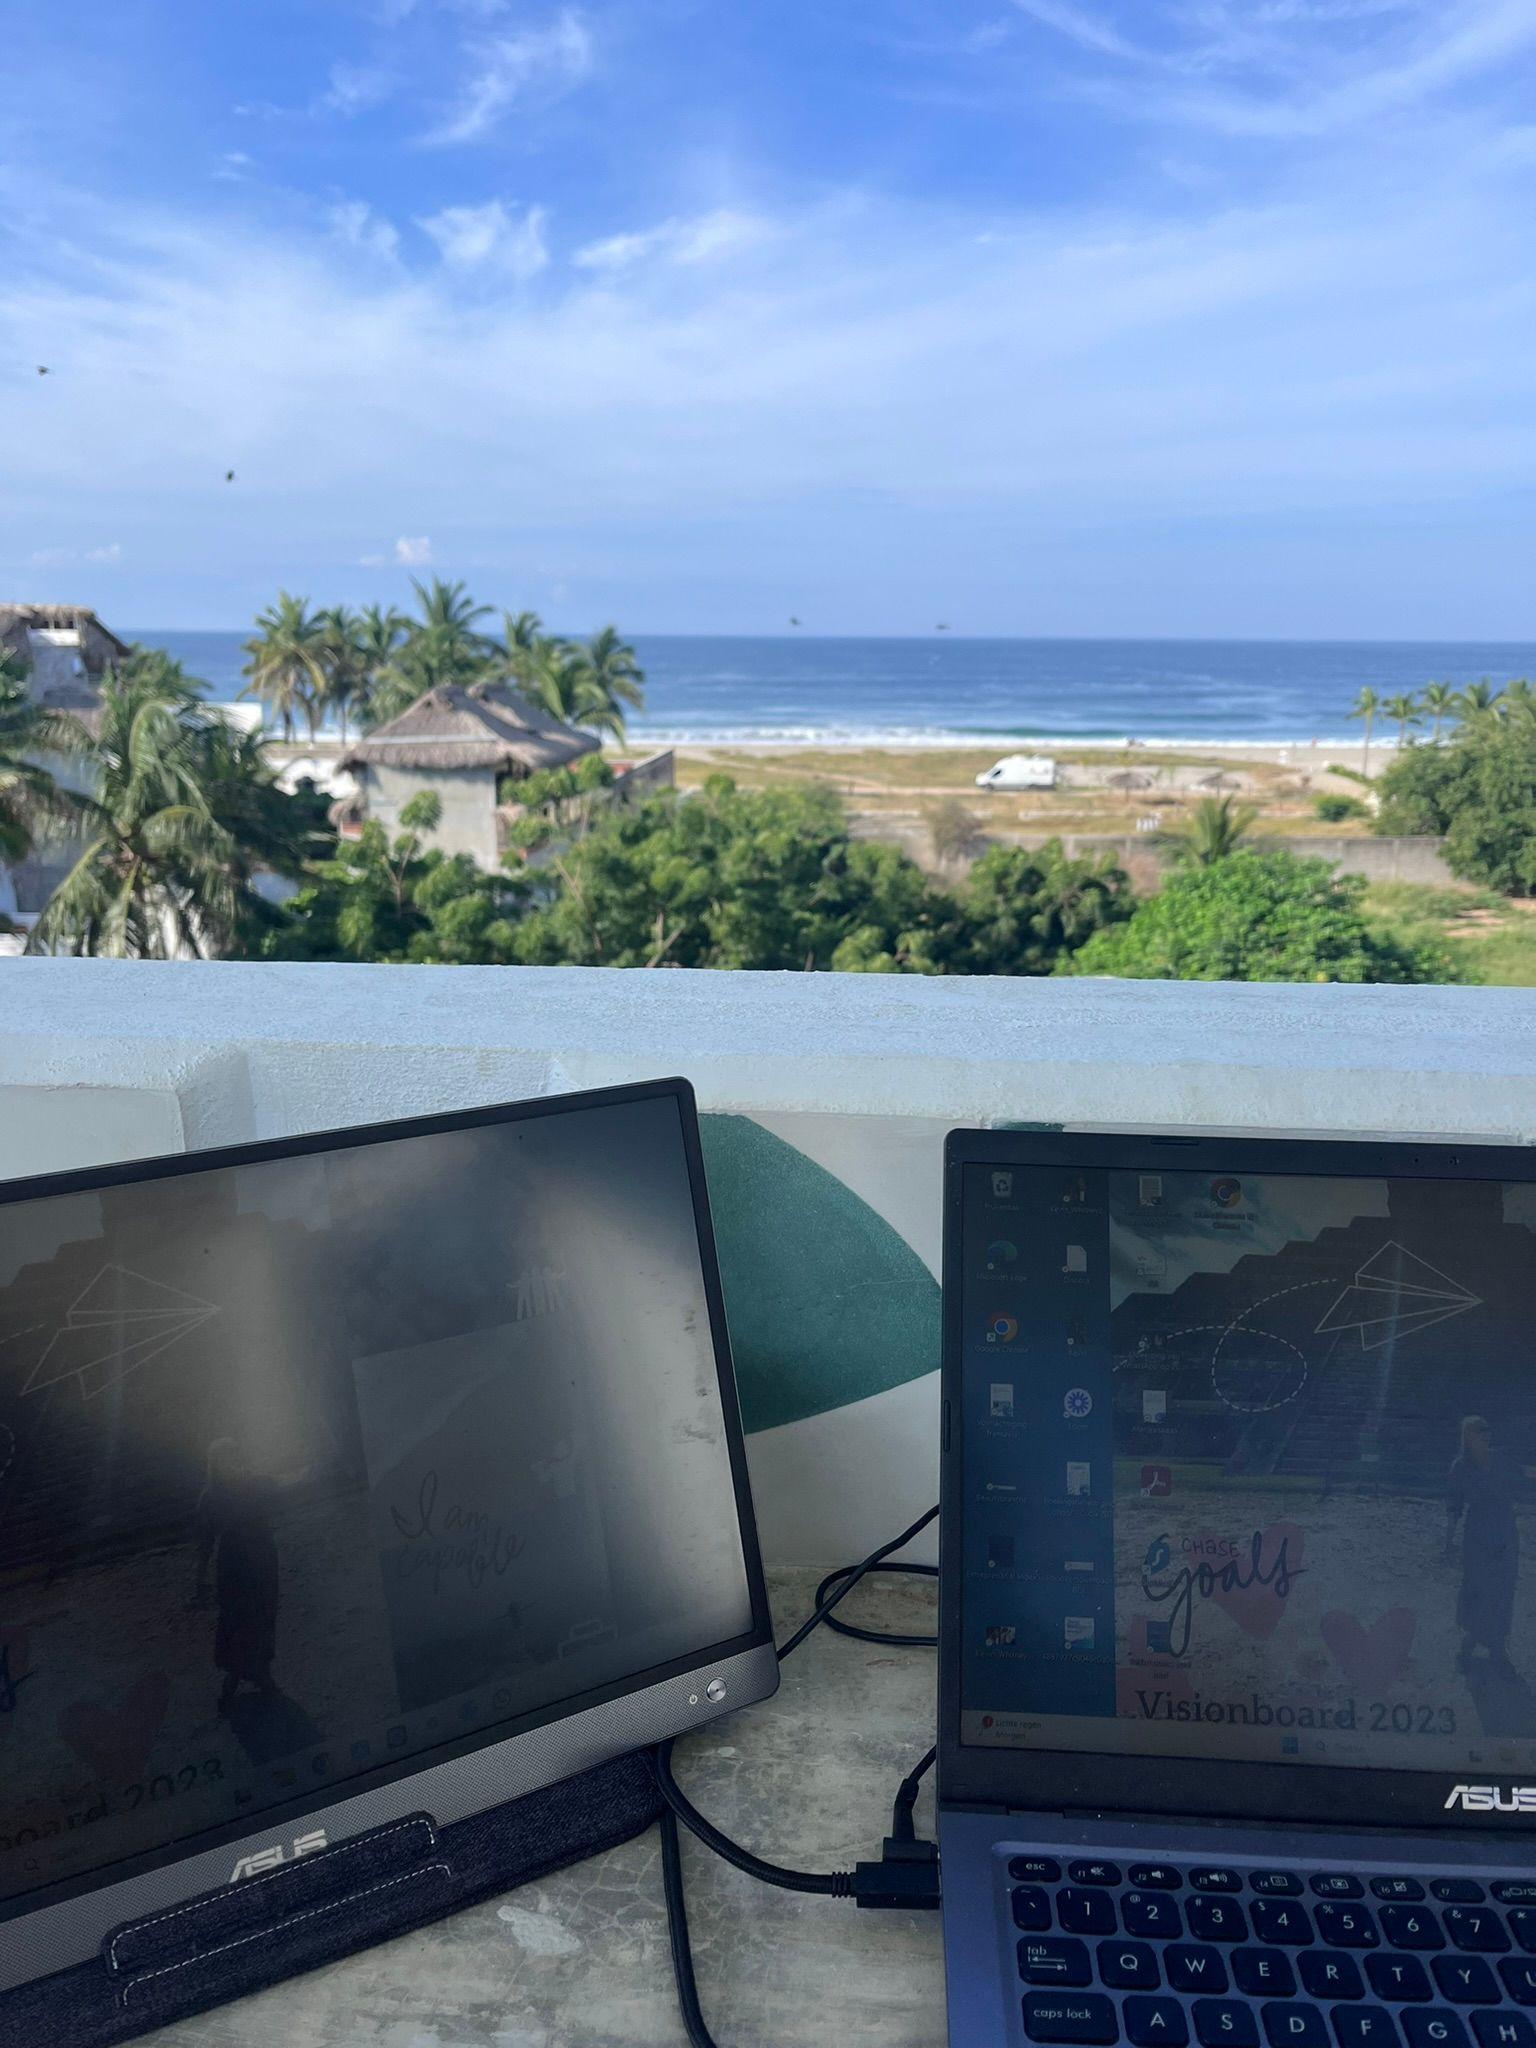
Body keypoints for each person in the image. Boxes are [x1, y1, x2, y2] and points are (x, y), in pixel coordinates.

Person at [194, 1438, 280, 1714]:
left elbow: (279, 1490)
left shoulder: (254, 1484)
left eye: (232, 1457)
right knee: (237, 1618)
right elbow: (205, 1538)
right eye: (223, 1460)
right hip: (234, 1564)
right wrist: (200, 1574)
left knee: (264, 1614)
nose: (229, 1464)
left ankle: (261, 1671)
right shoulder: (211, 1496)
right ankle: (233, 1676)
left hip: (262, 1555)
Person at [1446, 1414, 1520, 1679]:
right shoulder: (1460, 1467)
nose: (1486, 1435)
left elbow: (1522, 1479)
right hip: (1477, 1532)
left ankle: (1497, 1647)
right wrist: (1448, 1539)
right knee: (1477, 1588)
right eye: (1479, 1431)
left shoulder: (1502, 1458)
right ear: (1468, 1436)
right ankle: (1471, 1640)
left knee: (1502, 1588)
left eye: (1487, 1430)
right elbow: (1453, 1505)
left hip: (1504, 1530)